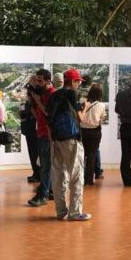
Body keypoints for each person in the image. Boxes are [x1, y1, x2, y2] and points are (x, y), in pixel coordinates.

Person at [46, 69, 91, 220]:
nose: (78, 84)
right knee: (76, 175)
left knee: (58, 177)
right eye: (77, 81)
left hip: (55, 139)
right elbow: (80, 118)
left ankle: (60, 211)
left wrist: (51, 139)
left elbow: (48, 119)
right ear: (71, 82)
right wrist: (85, 107)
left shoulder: (53, 96)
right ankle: (74, 212)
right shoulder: (72, 94)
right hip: (71, 139)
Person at [27, 69, 55, 206]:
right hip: (41, 133)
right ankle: (49, 191)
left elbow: (49, 113)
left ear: (48, 81)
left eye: (40, 81)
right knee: (45, 166)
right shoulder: (40, 93)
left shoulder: (51, 94)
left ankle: (43, 195)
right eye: (36, 80)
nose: (37, 83)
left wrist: (37, 100)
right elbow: (36, 113)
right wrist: (32, 99)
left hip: (48, 135)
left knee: (45, 166)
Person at [79, 83, 106, 186]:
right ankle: (89, 180)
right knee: (92, 155)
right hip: (95, 132)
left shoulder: (83, 102)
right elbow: (102, 119)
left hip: (82, 131)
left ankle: (80, 177)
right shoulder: (101, 105)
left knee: (82, 155)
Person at [20, 76, 41, 182]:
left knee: (36, 152)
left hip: (35, 129)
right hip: (29, 129)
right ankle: (36, 173)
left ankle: (38, 174)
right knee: (32, 152)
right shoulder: (29, 101)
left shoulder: (37, 98)